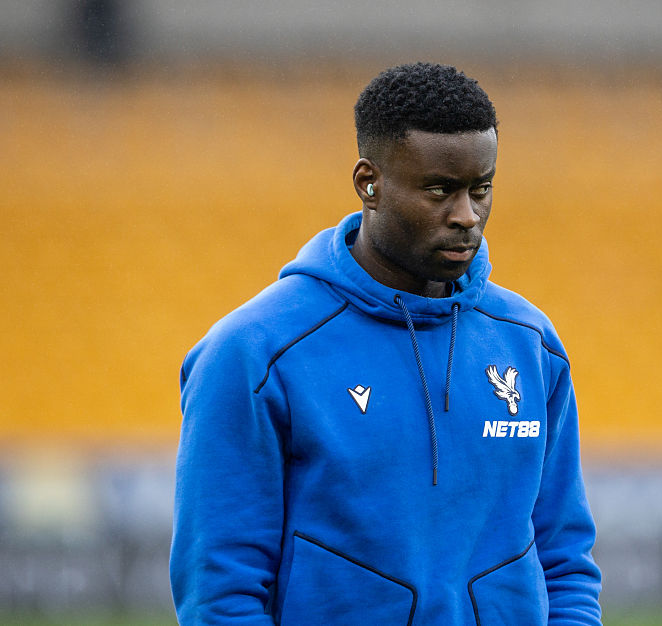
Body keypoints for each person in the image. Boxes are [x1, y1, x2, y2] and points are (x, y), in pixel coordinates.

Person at [170, 62, 602, 624]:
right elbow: (220, 591)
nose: (467, 216)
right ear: (368, 183)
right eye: (440, 190)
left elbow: (564, 561)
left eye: (481, 189)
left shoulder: (529, 343)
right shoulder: (254, 353)